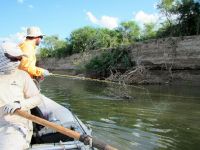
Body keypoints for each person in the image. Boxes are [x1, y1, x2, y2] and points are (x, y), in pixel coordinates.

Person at [0, 41, 42, 150]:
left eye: (20, 59)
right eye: (14, 58)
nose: (18, 62)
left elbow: (37, 98)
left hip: (13, 125)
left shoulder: (22, 75)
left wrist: (20, 104)